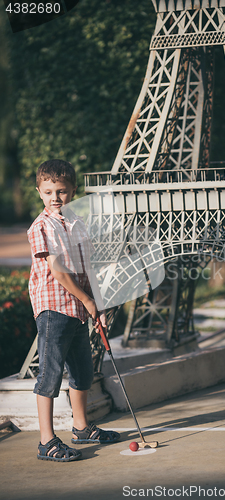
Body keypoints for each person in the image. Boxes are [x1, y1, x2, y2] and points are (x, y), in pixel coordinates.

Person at [28, 159, 120, 462]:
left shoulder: (77, 224)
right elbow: (58, 271)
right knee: (50, 375)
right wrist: (88, 301)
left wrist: (98, 304)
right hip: (53, 307)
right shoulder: (41, 226)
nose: (55, 197)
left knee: (82, 371)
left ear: (73, 192)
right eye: (49, 191)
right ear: (40, 192)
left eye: (62, 191)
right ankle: (47, 441)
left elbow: (86, 269)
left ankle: (81, 427)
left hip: (78, 308)